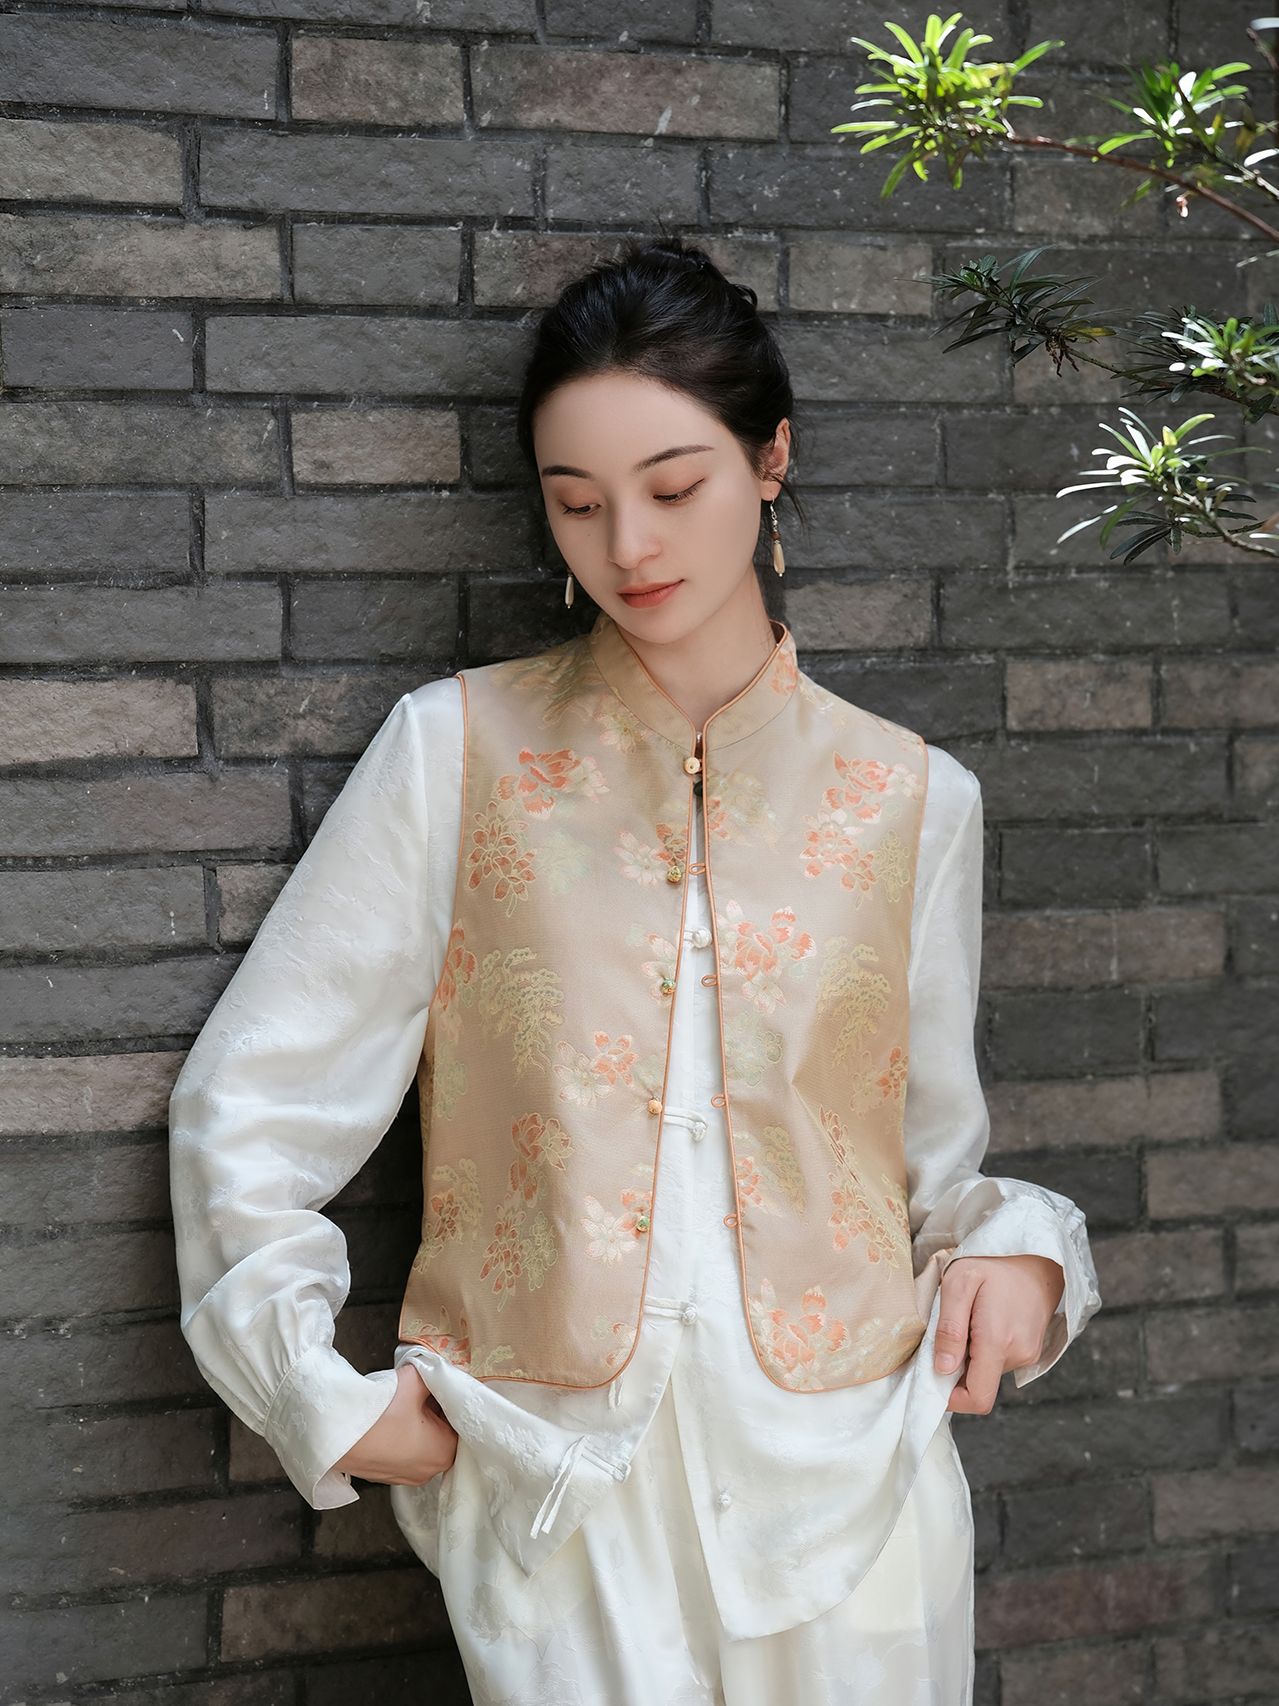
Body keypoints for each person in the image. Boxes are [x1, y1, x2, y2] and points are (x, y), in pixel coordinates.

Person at [170, 239, 1099, 1705]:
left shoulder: (915, 798)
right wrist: (315, 1395)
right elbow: (250, 1105)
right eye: (579, 501)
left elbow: (925, 1171)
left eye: (675, 487)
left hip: (852, 1486)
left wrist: (1026, 1251)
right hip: (556, 1486)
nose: (629, 546)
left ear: (772, 458)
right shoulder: (455, 755)